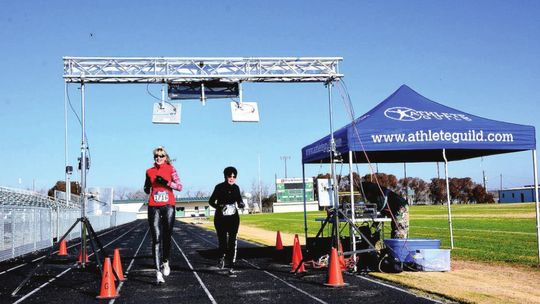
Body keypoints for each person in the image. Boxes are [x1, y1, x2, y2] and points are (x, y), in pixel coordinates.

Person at [144, 146, 183, 284]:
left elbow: (179, 186)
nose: (158, 158)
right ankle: (158, 272)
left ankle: (165, 261)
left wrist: (166, 182)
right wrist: (147, 187)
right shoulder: (149, 171)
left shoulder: (171, 169)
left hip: (168, 206)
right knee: (156, 238)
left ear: (165, 157)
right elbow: (146, 187)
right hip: (154, 206)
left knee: (167, 235)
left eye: (161, 156)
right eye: (156, 156)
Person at [208, 166, 245, 272]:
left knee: (233, 240)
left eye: (234, 176)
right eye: (230, 176)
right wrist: (219, 207)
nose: (232, 178)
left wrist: (241, 204)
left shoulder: (236, 188)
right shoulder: (219, 187)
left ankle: (232, 264)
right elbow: (211, 201)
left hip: (233, 218)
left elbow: (239, 200)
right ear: (225, 176)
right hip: (221, 218)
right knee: (223, 241)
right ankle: (222, 256)